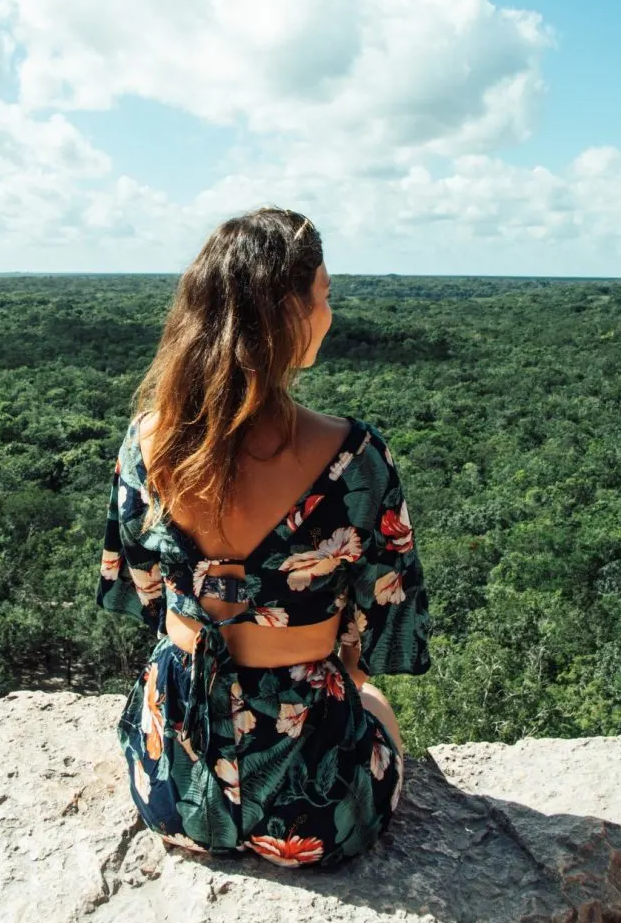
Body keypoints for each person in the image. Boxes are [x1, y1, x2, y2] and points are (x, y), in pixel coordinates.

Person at [95, 206, 432, 869]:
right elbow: (383, 620)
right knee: (376, 706)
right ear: (288, 314)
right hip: (319, 806)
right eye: (324, 296)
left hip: (176, 788)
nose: (330, 313)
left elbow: (144, 591)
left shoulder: (147, 444)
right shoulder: (356, 459)